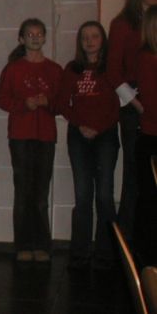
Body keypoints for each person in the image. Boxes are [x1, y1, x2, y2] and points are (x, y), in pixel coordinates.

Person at [0, 18, 62, 263]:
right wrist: (24, 104)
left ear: (44, 37)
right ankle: (23, 244)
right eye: (30, 34)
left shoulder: (54, 70)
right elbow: (2, 100)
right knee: (23, 192)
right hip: (21, 136)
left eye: (39, 34)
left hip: (46, 136)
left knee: (41, 194)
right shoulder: (13, 69)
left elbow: (62, 103)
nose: (35, 38)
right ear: (21, 39)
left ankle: (42, 244)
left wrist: (48, 103)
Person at [57, 21, 119, 270]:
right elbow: (62, 103)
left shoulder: (111, 69)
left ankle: (107, 251)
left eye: (94, 36)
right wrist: (81, 125)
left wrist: (99, 127)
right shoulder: (72, 69)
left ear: (102, 40)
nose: (90, 41)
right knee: (83, 194)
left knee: (104, 194)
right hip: (78, 135)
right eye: (85, 37)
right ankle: (80, 251)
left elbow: (117, 105)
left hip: (106, 135)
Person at [107, 0, 157, 240]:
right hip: (135, 106)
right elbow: (113, 72)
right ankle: (130, 242)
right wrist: (138, 104)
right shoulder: (123, 24)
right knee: (135, 176)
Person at [134, 5, 157, 267]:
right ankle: (148, 257)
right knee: (150, 199)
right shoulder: (147, 57)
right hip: (152, 137)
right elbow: (151, 101)